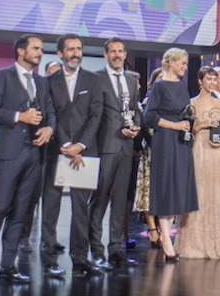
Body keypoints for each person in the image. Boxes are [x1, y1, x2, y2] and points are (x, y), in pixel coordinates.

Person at [0, 35, 55, 288]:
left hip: (35, 153)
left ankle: (8, 266)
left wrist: (49, 128)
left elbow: (50, 111)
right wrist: (20, 116)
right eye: (36, 48)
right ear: (21, 51)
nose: (40, 52)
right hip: (9, 151)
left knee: (21, 212)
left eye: (41, 49)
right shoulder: (2, 76)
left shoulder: (41, 81)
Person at [41, 34, 104, 278]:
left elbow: (95, 116)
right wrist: (65, 144)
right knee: (50, 209)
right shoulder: (47, 81)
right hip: (55, 152)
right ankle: (48, 260)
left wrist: (80, 145)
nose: (76, 53)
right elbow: (49, 115)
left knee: (81, 210)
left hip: (84, 154)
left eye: (78, 49)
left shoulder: (93, 79)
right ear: (60, 53)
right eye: (71, 49)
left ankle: (80, 258)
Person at [89, 37, 142, 270]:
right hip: (106, 145)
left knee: (121, 200)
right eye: (113, 51)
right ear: (106, 55)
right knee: (99, 199)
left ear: (125, 53)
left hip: (126, 146)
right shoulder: (96, 79)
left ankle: (116, 249)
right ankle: (95, 250)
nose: (117, 55)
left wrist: (136, 127)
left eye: (121, 51)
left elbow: (135, 110)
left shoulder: (131, 80)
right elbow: (93, 114)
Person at [143, 47, 199, 261]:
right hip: (165, 140)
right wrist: (175, 126)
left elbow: (184, 111)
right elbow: (149, 118)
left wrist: (188, 122)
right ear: (171, 63)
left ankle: (170, 237)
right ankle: (165, 239)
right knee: (166, 187)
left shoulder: (182, 87)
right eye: (182, 63)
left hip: (181, 141)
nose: (185, 67)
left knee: (178, 187)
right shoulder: (159, 86)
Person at [176, 66, 220, 258]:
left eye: (214, 80)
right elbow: (187, 130)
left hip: (216, 153)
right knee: (199, 192)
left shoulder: (218, 103)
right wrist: (202, 124)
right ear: (200, 81)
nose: (211, 83)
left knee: (217, 194)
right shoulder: (191, 103)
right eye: (208, 79)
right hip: (199, 151)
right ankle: (196, 243)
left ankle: (217, 241)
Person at [133, 68, 164, 249]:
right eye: (159, 78)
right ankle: (152, 227)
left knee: (163, 189)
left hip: (167, 148)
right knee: (148, 189)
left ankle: (162, 226)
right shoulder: (147, 101)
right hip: (151, 148)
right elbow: (143, 125)